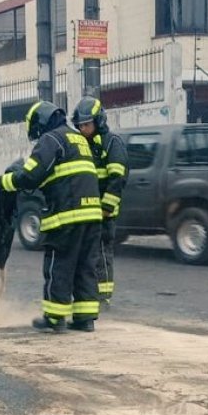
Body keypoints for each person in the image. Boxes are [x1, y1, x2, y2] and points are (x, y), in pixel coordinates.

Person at [0, 101, 103, 332]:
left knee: (60, 264)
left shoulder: (50, 139)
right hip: (92, 214)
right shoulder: (78, 139)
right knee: (85, 266)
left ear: (40, 123)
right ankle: (85, 319)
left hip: (68, 214)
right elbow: (60, 175)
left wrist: (4, 183)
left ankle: (55, 318)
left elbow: (31, 176)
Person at [72, 97, 127, 302]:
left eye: (87, 124)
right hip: (87, 211)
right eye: (80, 125)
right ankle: (90, 293)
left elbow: (117, 177)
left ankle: (103, 296)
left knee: (102, 253)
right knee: (88, 254)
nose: (83, 128)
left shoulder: (111, 143)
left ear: (99, 121)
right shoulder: (83, 144)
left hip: (104, 212)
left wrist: (106, 207)